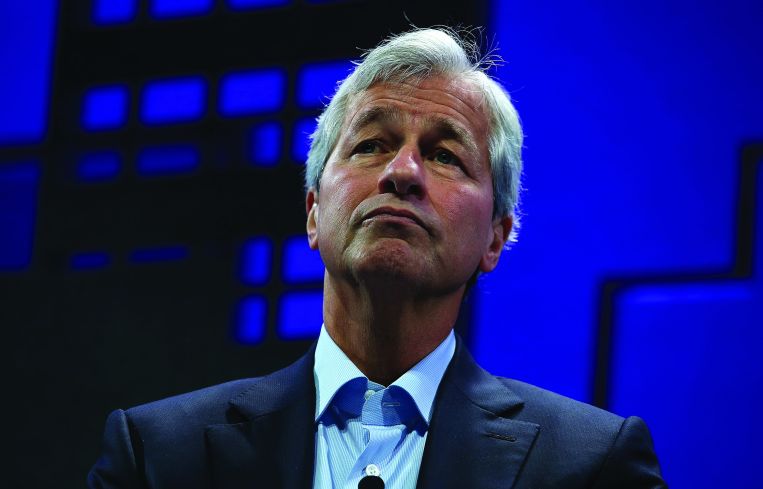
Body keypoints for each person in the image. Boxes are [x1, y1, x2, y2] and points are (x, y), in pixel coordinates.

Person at [88, 28, 666, 488]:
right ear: (314, 213)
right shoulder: (157, 456)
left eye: (444, 155)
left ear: (495, 238)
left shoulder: (591, 466)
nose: (402, 172)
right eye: (371, 145)